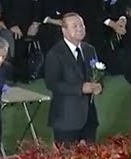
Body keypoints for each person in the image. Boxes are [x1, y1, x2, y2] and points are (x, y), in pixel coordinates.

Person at [44, 14, 103, 145]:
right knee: (68, 156)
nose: (80, 29)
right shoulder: (55, 53)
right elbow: (52, 84)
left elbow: (96, 74)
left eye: (82, 25)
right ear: (64, 30)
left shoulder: (89, 50)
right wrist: (80, 88)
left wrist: (99, 86)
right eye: (74, 26)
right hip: (66, 119)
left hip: (89, 118)